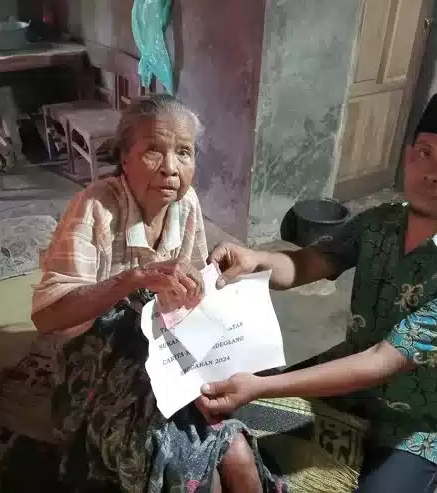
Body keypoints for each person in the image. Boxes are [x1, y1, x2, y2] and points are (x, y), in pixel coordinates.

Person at [198, 91, 437, 493]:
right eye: (424, 153)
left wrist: (262, 385)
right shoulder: (379, 224)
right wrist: (255, 259)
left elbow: (383, 360)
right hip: (346, 384)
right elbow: (307, 264)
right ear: (408, 155)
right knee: (228, 429)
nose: (432, 172)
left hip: (416, 427)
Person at [31, 94, 276, 493]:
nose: (170, 168)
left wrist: (204, 285)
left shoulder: (187, 204)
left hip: (163, 346)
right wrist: (133, 279)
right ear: (124, 158)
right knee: (187, 462)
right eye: (153, 151)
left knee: (235, 447)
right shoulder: (94, 208)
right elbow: (48, 316)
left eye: (184, 152)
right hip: (99, 355)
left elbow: (193, 290)